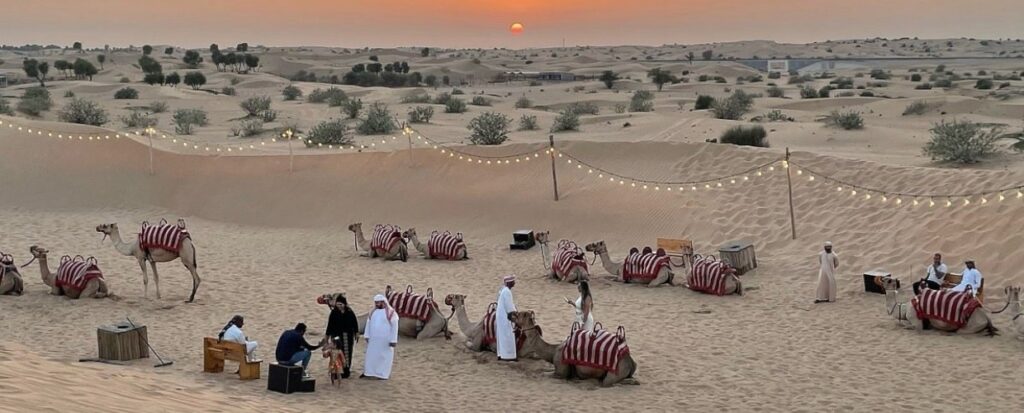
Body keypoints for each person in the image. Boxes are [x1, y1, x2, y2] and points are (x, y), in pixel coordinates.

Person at [362, 294, 399, 380]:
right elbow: (368, 323)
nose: (377, 304)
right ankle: (369, 372)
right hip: (373, 340)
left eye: (379, 303)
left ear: (383, 302)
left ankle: (382, 374)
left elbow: (395, 327)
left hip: (385, 341)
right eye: (376, 303)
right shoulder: (373, 312)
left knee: (384, 357)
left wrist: (393, 340)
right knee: (371, 356)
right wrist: (367, 335)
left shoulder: (391, 313)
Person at [324, 294, 359, 379]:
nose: (339, 306)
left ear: (344, 304)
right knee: (336, 354)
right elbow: (329, 326)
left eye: (341, 304)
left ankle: (346, 371)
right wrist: (327, 338)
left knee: (347, 354)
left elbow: (355, 323)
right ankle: (336, 372)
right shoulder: (333, 313)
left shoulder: (349, 312)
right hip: (336, 337)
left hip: (347, 337)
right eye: (338, 304)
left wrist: (356, 333)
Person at [495, 274, 518, 362]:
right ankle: (508, 356)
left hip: (501, 316)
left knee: (502, 335)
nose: (514, 283)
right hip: (505, 317)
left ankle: (501, 354)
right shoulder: (507, 292)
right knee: (508, 335)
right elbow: (509, 307)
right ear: (509, 283)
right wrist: (515, 314)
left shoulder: (503, 290)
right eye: (513, 281)